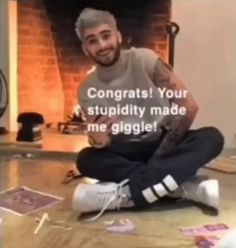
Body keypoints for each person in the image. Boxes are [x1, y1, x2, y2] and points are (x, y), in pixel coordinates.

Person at [72, 8, 224, 220]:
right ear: (85, 48)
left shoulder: (144, 59)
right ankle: (179, 187)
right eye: (92, 40)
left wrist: (160, 156)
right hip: (125, 149)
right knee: (86, 159)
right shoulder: (87, 89)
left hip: (163, 141)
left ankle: (129, 193)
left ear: (118, 35)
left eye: (106, 36)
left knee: (212, 137)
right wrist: (98, 139)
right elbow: (101, 141)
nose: (102, 45)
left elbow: (189, 106)